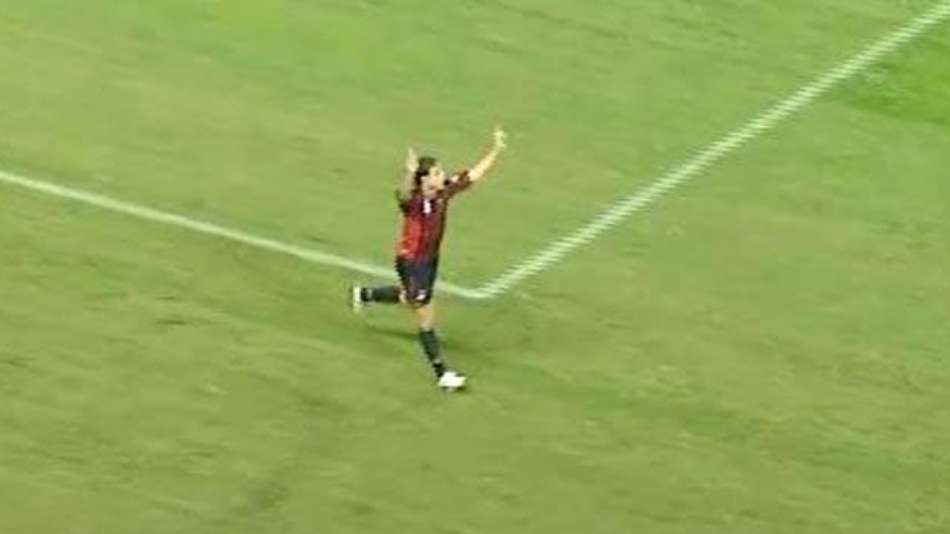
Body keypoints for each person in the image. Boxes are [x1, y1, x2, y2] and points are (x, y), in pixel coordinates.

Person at [350, 127, 508, 391]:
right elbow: (402, 194)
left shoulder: (444, 192)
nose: (442, 175)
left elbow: (473, 175)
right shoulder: (413, 201)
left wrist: (496, 149)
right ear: (424, 180)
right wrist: (409, 172)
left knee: (409, 298)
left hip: (430, 260)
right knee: (426, 317)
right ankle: (442, 373)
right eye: (436, 173)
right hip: (411, 263)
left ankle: (364, 294)